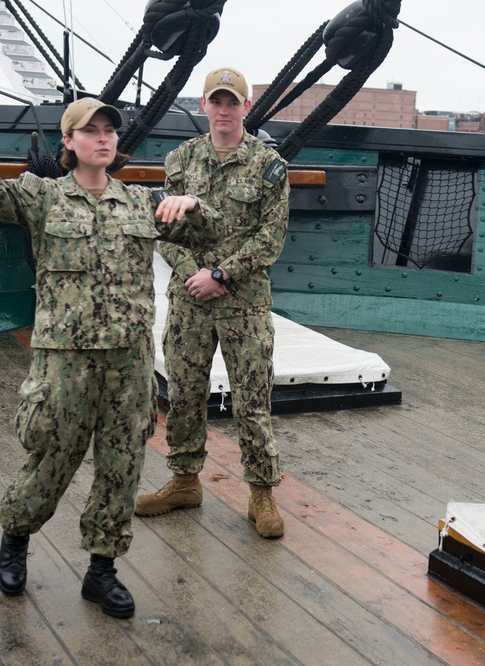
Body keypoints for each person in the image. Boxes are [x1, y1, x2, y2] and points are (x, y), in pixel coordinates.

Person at [0, 82, 209, 618]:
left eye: (109, 131)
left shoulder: (141, 203)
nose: (103, 139)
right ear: (69, 142)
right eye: (90, 132)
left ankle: (102, 571)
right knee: (52, 458)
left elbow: (209, 231)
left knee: (121, 468)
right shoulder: (44, 194)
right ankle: (16, 537)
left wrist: (192, 202)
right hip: (66, 363)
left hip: (128, 362)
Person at [134, 67, 290, 538]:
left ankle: (261, 492)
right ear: (203, 106)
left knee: (252, 401)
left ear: (245, 108)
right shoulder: (179, 160)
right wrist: (194, 276)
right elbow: (167, 231)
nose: (224, 110)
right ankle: (184, 481)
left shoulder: (267, 165)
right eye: (216, 101)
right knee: (182, 394)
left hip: (244, 304)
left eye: (233, 102)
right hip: (191, 301)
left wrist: (222, 274)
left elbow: (272, 236)